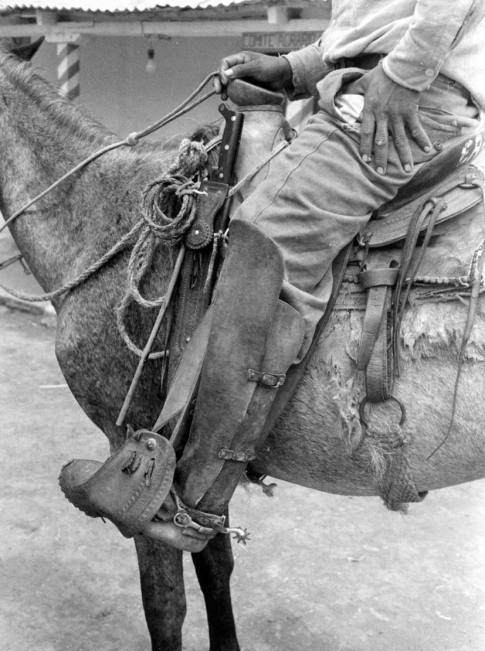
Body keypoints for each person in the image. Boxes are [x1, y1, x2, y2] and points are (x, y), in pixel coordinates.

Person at [64, 1, 483, 549]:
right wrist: (294, 69)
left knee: (261, 243)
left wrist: (403, 74)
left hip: (399, 101)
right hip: (365, 88)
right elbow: (370, 25)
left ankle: (188, 498)